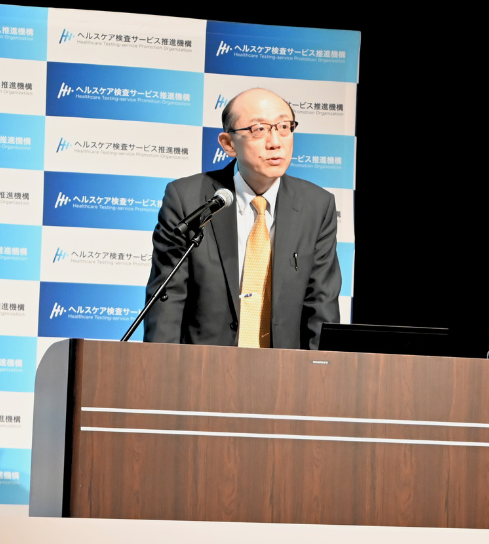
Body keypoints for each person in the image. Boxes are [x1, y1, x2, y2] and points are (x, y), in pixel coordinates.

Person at [143, 88, 341, 349]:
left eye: (284, 127)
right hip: (203, 366)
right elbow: (167, 299)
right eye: (259, 129)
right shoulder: (187, 199)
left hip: (284, 369)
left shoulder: (316, 206)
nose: (275, 142)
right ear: (228, 144)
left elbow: (321, 305)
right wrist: (162, 368)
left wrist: (321, 371)